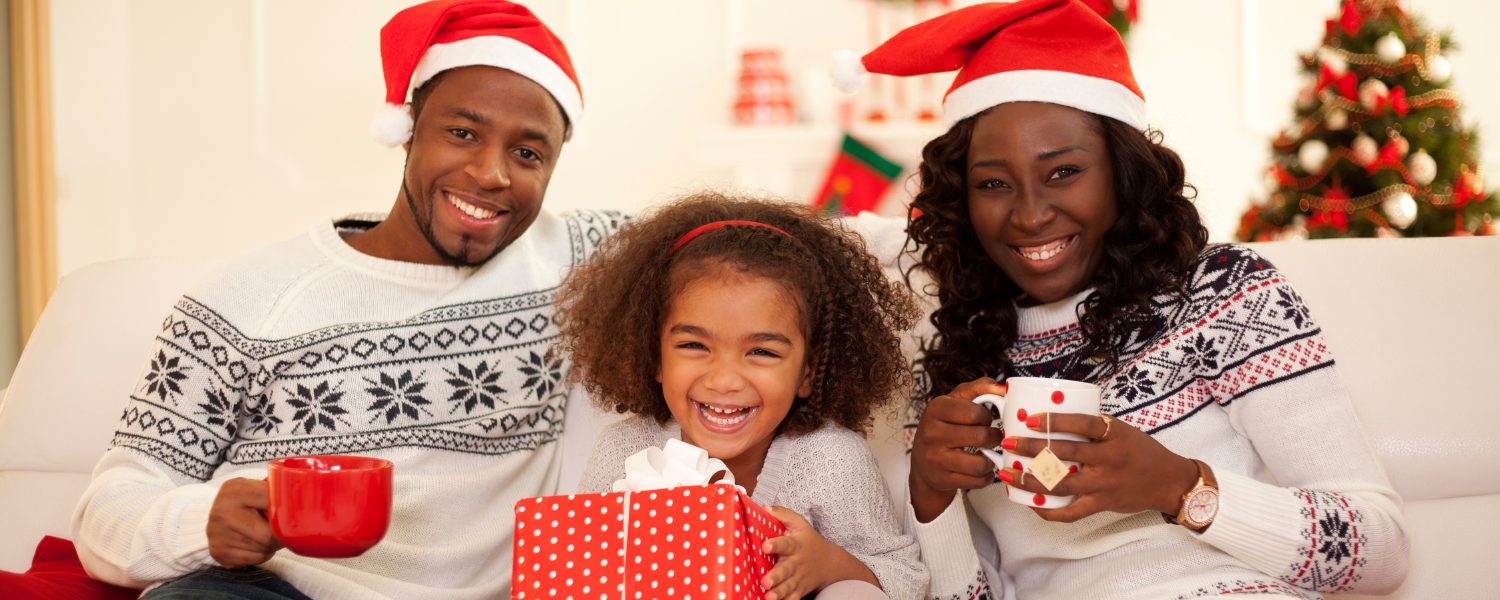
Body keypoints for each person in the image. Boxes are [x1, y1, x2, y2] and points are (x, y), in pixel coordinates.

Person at [835, 1, 1411, 599]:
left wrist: (1179, 489)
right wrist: (931, 498)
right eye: (993, 184)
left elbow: (1382, 549)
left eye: (1062, 172)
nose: (1030, 215)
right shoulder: (958, 355)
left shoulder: (1220, 295)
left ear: (1122, 172)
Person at [70, 2, 624, 599]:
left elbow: (730, 252)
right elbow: (106, 509)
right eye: (462, 133)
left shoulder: (577, 260)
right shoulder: (247, 298)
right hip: (264, 588)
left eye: (527, 154)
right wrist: (201, 525)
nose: (491, 173)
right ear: (407, 128)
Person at [558, 193, 929, 600]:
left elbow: (905, 579)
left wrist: (828, 564)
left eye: (762, 352)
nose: (724, 380)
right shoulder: (623, 450)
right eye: (694, 346)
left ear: (807, 372)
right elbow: (577, 568)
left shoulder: (832, 461)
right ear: (655, 356)